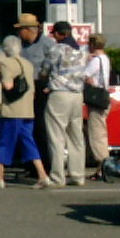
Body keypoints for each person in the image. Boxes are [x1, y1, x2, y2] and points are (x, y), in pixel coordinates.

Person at [0, 34, 51, 189]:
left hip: (12, 111)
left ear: (5, 49)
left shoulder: (6, 63)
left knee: (4, 143)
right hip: (28, 110)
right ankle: (42, 174)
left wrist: (1, 79)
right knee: (29, 142)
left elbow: (8, 86)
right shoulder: (28, 64)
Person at [41, 20, 88, 186]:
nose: (53, 37)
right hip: (77, 94)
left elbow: (45, 70)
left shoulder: (57, 49)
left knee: (56, 136)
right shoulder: (81, 50)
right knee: (76, 136)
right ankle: (78, 175)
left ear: (59, 34)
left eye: (54, 34)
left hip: (59, 93)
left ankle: (57, 176)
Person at [14, 13, 55, 169]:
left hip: (41, 87)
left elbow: (54, 66)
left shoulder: (47, 44)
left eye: (20, 29)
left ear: (28, 30)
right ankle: (30, 164)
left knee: (41, 127)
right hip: (24, 87)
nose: (19, 33)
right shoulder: (19, 45)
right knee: (26, 127)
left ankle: (45, 164)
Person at [84, 33, 113, 178]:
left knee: (97, 134)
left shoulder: (95, 60)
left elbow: (84, 75)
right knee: (101, 132)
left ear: (93, 44)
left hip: (96, 100)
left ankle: (103, 166)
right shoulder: (105, 59)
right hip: (104, 97)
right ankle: (101, 168)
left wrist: (85, 60)